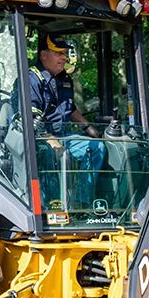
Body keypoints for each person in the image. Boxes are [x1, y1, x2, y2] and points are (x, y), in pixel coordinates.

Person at [29, 34, 105, 209]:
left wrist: (89, 128)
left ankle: (80, 203)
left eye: (64, 53)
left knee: (96, 147)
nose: (64, 57)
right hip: (38, 139)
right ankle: (53, 208)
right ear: (43, 55)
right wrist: (52, 141)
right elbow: (32, 120)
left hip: (64, 135)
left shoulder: (64, 79)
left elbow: (69, 108)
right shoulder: (32, 79)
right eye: (58, 53)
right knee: (51, 154)